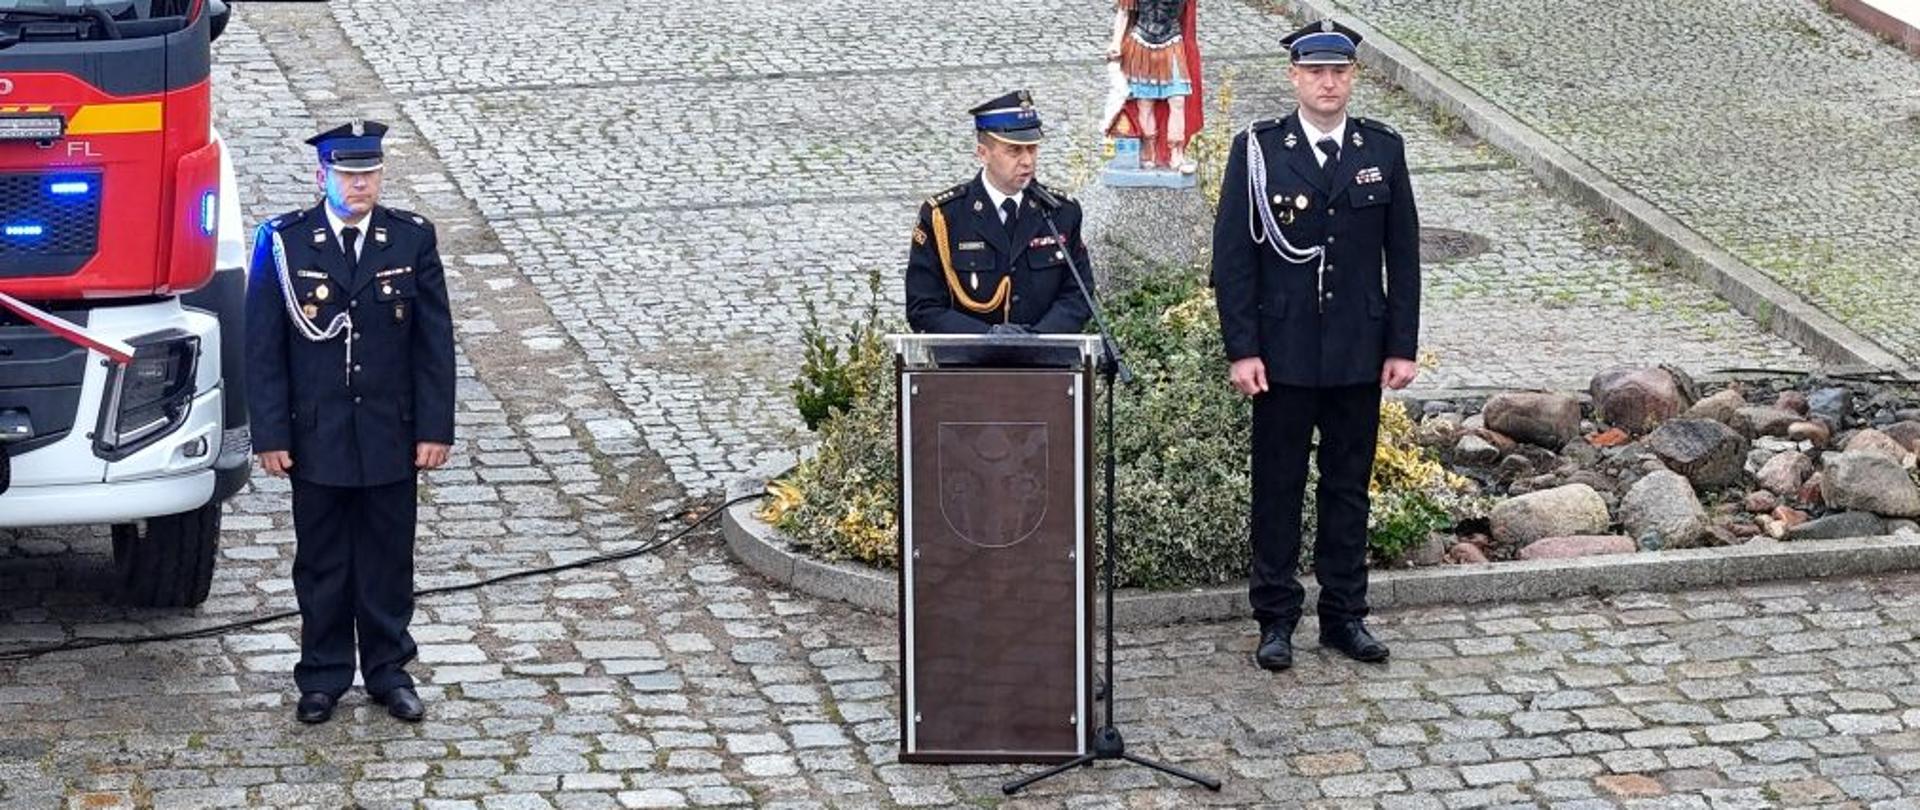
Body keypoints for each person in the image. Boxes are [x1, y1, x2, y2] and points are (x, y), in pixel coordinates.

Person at [1209, 20, 1421, 672]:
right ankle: (1275, 620)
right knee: (1278, 488)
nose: (1328, 83)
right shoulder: (1258, 150)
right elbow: (1234, 259)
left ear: (1353, 77)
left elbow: (1403, 256)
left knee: (1348, 488)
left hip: (1358, 350)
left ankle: (1344, 616)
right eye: (1316, 72)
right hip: (1283, 352)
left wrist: (1401, 344)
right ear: (1295, 77)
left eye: (1339, 72)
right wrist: (1242, 348)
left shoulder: (1380, 149)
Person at [245, 120, 456, 723]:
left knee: (389, 558)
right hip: (317, 436)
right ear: (324, 176)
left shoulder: (410, 239)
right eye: (348, 174)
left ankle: (390, 671)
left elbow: (433, 343)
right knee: (322, 561)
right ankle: (323, 675)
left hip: (391, 430)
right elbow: (263, 348)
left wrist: (434, 428)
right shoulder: (285, 243)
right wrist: (272, 435)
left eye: (369, 173)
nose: (360, 184)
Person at [905, 90, 1093, 335]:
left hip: (1046, 364)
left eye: (1032, 149)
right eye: (1014, 151)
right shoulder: (945, 217)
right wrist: (986, 339)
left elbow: (1078, 296)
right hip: (969, 365)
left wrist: (1038, 341)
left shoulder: (1061, 213)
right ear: (983, 153)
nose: (1027, 161)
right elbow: (923, 307)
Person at [1103, 0, 1204, 173]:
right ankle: (1150, 152)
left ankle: (1176, 155)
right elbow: (1124, 12)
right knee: (1145, 103)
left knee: (1178, 99)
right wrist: (1115, 42)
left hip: (1172, 42)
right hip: (1141, 42)